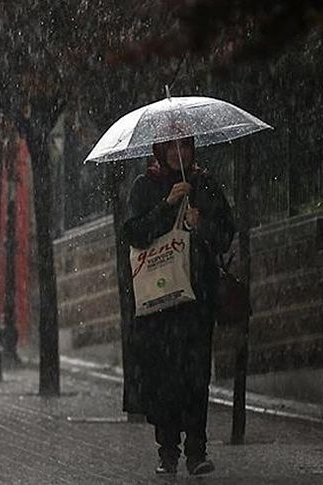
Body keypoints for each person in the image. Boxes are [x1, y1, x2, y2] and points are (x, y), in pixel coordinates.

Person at [123, 136, 235, 476]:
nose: (178, 153)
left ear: (192, 149)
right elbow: (133, 233)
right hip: (159, 303)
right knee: (164, 378)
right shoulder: (146, 185)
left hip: (196, 300)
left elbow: (226, 234)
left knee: (196, 376)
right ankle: (167, 450)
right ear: (161, 151)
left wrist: (202, 225)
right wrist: (167, 206)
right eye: (171, 148)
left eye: (184, 146)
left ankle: (196, 451)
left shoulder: (204, 183)